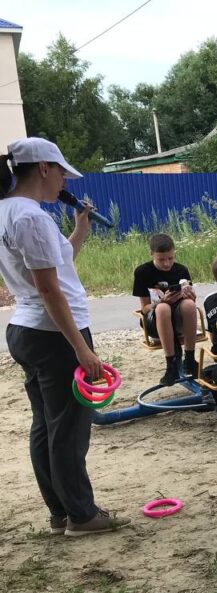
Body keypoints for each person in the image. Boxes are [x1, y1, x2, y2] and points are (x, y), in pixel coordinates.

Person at [0, 137, 119, 537]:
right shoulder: (31, 217)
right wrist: (81, 348)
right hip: (54, 335)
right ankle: (82, 516)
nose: (64, 181)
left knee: (47, 425)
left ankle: (61, 513)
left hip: (28, 329)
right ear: (44, 168)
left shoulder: (7, 211)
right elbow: (49, 289)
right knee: (68, 429)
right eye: (62, 172)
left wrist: (80, 231)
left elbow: (54, 268)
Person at [132, 233, 199, 385]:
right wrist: (162, 301)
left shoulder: (181, 270)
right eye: (161, 259)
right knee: (163, 308)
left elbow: (190, 302)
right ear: (151, 254)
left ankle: (190, 359)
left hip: (179, 319)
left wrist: (191, 296)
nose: (167, 264)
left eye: (170, 258)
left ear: (174, 253)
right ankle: (171, 365)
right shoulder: (143, 272)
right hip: (155, 321)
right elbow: (145, 308)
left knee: (189, 305)